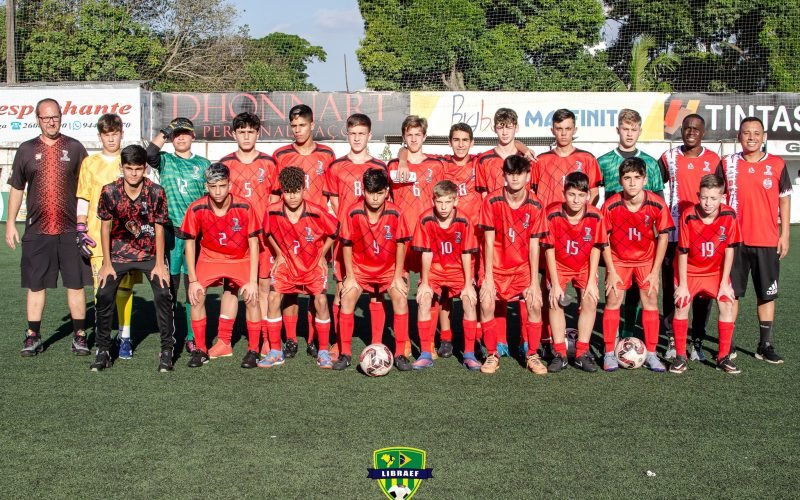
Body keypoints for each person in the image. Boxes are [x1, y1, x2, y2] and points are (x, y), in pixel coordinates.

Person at [6, 98, 91, 357]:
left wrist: (87, 224)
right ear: (38, 119)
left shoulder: (75, 148)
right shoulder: (26, 149)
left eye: (55, 117)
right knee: (36, 285)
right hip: (37, 230)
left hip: (70, 231)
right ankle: (33, 335)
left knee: (76, 284)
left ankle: (79, 335)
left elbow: (86, 188)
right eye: (46, 118)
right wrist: (10, 223)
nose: (51, 121)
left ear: (61, 117)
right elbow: (17, 188)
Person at [90, 145, 174, 372]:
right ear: (121, 168)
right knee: (104, 292)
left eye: (138, 169)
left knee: (164, 292)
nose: (134, 173)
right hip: (118, 254)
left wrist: (159, 264)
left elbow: (159, 229)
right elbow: (104, 228)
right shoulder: (109, 191)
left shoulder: (156, 191)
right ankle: (103, 350)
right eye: (129, 168)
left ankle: (167, 350)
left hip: (149, 254)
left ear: (145, 168)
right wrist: (106, 264)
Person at [723, 117, 792, 363]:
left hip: (767, 240)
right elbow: (718, 199)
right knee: (732, 294)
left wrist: (784, 234)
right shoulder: (728, 164)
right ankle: (727, 344)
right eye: (746, 133)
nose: (751, 137)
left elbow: (784, 199)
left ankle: (765, 345)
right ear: (738, 137)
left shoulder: (777, 163)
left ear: (764, 137)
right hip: (735, 242)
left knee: (767, 294)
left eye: (756, 133)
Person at [181, 163, 262, 369]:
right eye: (213, 186)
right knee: (197, 295)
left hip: (239, 258)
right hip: (210, 258)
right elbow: (189, 243)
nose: (218, 191)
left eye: (222, 186)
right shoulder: (196, 207)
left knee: (252, 298)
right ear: (206, 186)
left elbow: (254, 243)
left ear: (230, 185)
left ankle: (253, 350)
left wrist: (253, 281)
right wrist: (192, 280)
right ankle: (200, 349)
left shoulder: (244, 207)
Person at [272, 104, 336, 357]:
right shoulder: (281, 155)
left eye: (302, 125)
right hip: (288, 232)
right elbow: (276, 196)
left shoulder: (327, 155)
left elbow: (331, 193)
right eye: (294, 126)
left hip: (317, 233)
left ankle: (313, 339)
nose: (298, 130)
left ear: (312, 126)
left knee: (315, 288)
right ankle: (290, 340)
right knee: (287, 289)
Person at [259, 166, 338, 369]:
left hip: (312, 265)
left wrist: (322, 254)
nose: (292, 196)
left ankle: (323, 351)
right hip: (287, 264)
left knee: (320, 300)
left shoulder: (317, 212)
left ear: (304, 189)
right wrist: (278, 253)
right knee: (273, 297)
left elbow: (334, 231)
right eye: (287, 191)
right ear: (282, 191)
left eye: (296, 191)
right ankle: (276, 350)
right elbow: (266, 232)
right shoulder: (272, 210)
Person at [76, 113, 140, 359]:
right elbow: (83, 197)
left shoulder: (128, 161)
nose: (111, 139)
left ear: (121, 133)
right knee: (101, 292)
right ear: (100, 135)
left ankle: (125, 338)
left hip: (125, 239)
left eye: (115, 134)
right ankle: (103, 340)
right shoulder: (89, 163)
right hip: (96, 235)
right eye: (106, 134)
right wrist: (81, 229)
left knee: (124, 290)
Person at [597, 109, 665, 340]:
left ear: (639, 131)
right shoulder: (604, 161)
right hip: (614, 242)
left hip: (642, 241)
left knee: (641, 290)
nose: (629, 133)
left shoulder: (651, 163)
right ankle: (612, 336)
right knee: (614, 287)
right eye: (625, 129)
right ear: (618, 130)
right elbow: (596, 199)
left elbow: (658, 203)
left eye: (633, 129)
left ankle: (629, 331)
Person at [473, 108, 536, 357]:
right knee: (494, 289)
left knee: (526, 289)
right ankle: (499, 341)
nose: (505, 130)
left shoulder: (527, 158)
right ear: (495, 129)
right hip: (494, 234)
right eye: (500, 126)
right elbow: (482, 196)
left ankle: (525, 340)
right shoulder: (484, 160)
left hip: (520, 234)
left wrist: (523, 147)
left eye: (509, 126)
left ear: (516, 128)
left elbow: (532, 194)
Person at [335, 168, 412, 371]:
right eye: (371, 193)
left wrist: (397, 277)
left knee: (400, 298)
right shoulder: (353, 212)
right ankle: (345, 353)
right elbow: (346, 244)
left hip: (388, 270)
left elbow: (401, 245)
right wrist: (350, 277)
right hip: (361, 270)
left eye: (379, 193)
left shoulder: (396, 213)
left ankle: (400, 354)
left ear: (387, 191)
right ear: (364, 191)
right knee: (348, 297)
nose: (375, 198)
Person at [660, 114, 722, 361]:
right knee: (672, 288)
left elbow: (721, 194)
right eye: (687, 128)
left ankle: (696, 339)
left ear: (703, 133)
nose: (691, 132)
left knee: (703, 291)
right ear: (681, 131)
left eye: (696, 129)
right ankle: (674, 340)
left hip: (705, 237)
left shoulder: (714, 160)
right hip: (675, 234)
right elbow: (655, 184)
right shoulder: (669, 158)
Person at [601, 157, 672, 372]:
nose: (632, 183)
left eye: (637, 178)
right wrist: (611, 271)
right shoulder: (611, 205)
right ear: (620, 180)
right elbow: (604, 239)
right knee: (613, 300)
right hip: (619, 260)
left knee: (650, 301)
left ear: (645, 180)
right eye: (627, 178)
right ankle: (608, 352)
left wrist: (654, 271)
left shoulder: (656, 204)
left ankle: (651, 353)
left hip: (645, 260)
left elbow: (663, 236)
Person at [477, 156, 546, 375]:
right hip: (495, 267)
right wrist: (487, 279)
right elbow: (487, 241)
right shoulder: (491, 201)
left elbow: (535, 246)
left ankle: (532, 354)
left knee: (534, 304)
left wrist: (535, 282)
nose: (515, 178)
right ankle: (491, 354)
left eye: (520, 173)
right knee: (487, 302)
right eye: (510, 173)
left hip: (522, 269)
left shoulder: (535, 205)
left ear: (527, 176)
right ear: (504, 175)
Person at [217, 112, 279, 357]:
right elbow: (219, 202)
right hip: (235, 240)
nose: (246, 136)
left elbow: (274, 202)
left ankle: (265, 340)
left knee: (263, 287)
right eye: (241, 131)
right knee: (231, 288)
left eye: (250, 131)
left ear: (257, 133)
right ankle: (224, 342)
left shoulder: (269, 163)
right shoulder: (225, 164)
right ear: (234, 134)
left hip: (262, 239)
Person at [324, 113, 387, 350]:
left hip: (374, 239)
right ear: (346, 134)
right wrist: (349, 224)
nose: (357, 138)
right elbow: (332, 200)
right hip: (346, 240)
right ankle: (340, 343)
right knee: (342, 288)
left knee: (377, 290)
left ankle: (378, 342)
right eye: (353, 134)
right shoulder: (336, 166)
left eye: (361, 134)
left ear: (369, 135)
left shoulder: (379, 166)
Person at [147, 117, 210, 352]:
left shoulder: (203, 164)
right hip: (171, 234)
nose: (180, 137)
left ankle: (193, 337)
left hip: (196, 236)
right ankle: (170, 337)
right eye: (176, 134)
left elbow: (210, 199)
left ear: (193, 136)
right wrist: (165, 131)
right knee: (170, 289)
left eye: (185, 133)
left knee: (192, 287)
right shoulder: (165, 160)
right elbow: (149, 153)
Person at [670, 174, 741, 374]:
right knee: (681, 304)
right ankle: (680, 357)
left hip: (714, 271)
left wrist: (725, 282)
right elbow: (682, 252)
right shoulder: (689, 215)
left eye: (713, 198)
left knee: (727, 302)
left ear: (722, 197)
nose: (708, 203)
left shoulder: (730, 215)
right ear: (698, 195)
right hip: (690, 270)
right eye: (704, 197)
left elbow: (729, 249)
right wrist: (682, 284)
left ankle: (723, 357)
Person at [542, 172, 607, 373]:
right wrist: (554, 283)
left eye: (580, 195)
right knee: (554, 300)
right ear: (564, 193)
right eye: (571, 194)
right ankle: (560, 352)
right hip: (559, 265)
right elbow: (549, 249)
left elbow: (597, 247)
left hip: (584, 265)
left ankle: (581, 352)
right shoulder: (552, 214)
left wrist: (591, 281)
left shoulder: (595, 215)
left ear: (588, 195)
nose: (576, 199)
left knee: (590, 299)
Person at [411, 180, 479, 370]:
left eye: (447, 202)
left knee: (468, 300)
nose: (443, 207)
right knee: (424, 298)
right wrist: (424, 282)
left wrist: (467, 285)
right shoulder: (425, 219)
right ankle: (425, 353)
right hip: (435, 270)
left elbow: (466, 254)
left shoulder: (464, 221)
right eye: (439, 202)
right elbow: (426, 252)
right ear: (433, 200)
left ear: (455, 201)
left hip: (458, 271)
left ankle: (469, 354)